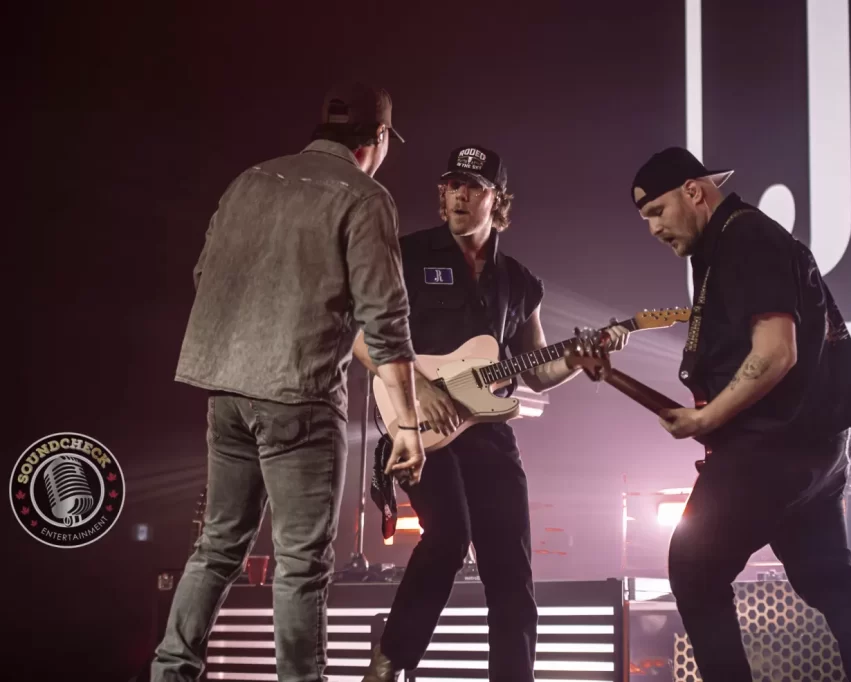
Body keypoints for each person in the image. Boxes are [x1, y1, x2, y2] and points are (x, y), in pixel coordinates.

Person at [151, 84, 426, 682]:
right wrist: (407, 426)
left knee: (217, 547)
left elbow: (206, 274)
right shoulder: (365, 195)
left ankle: (169, 672)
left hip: (227, 391)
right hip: (299, 396)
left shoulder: (250, 179)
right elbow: (386, 318)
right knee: (300, 566)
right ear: (376, 140)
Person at [353, 145, 628, 682]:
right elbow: (363, 340)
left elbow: (536, 371)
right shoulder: (407, 254)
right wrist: (418, 388)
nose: (458, 195)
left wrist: (581, 358)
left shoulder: (521, 282)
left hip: (487, 431)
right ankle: (388, 662)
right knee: (449, 537)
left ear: (497, 199)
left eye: (473, 187)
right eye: (452, 184)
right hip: (418, 425)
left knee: (513, 573)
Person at [631, 147, 851, 682]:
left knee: (694, 572)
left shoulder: (744, 238)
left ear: (694, 191)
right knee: (827, 580)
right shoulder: (735, 242)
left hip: (773, 449)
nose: (654, 229)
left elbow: (777, 351)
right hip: (814, 449)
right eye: (645, 220)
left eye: (657, 210)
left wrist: (706, 423)